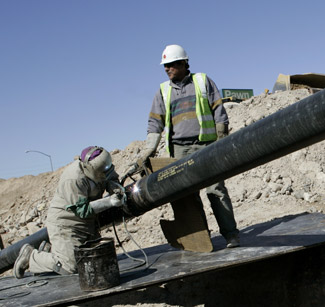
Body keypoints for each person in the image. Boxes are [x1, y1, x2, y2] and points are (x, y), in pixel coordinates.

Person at [126, 44, 240, 248]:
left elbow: (218, 111)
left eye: (170, 65)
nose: (167, 69)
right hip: (178, 150)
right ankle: (203, 241)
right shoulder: (163, 91)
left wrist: (221, 140)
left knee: (216, 190)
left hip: (206, 145)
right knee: (187, 197)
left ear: (183, 63)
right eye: (165, 66)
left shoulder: (202, 81)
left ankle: (231, 234)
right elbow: (155, 124)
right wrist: (148, 150)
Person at [13, 146, 123, 279]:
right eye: (101, 173)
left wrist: (114, 186)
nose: (104, 175)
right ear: (89, 169)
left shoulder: (102, 166)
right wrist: (109, 202)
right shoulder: (73, 179)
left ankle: (51, 252)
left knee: (93, 259)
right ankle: (31, 257)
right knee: (70, 266)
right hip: (66, 224)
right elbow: (82, 210)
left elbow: (111, 177)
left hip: (87, 224)